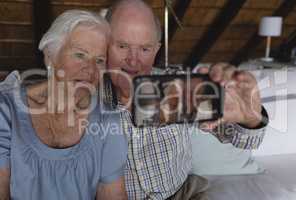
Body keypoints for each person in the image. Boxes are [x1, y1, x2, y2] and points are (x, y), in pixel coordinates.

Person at [102, 0, 268, 199]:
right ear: (103, 44)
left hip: (183, 193)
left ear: (156, 50)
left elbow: (247, 140)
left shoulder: (180, 86)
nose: (133, 60)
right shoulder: (85, 98)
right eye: (122, 46)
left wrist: (249, 118)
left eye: (145, 49)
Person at [0, 10, 128, 200]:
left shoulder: (107, 118)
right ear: (50, 57)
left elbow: (112, 193)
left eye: (99, 60)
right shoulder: (6, 111)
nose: (91, 69)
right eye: (80, 55)